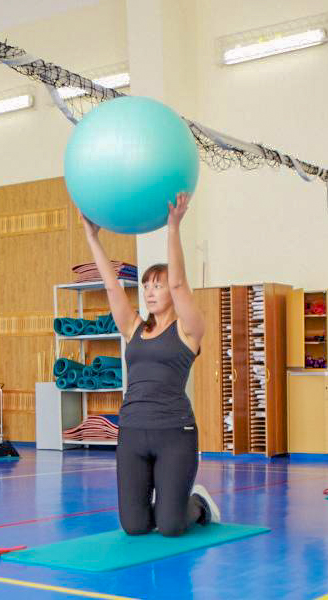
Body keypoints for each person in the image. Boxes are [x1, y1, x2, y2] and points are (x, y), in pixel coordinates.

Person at [81, 192, 220, 536]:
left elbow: (178, 281)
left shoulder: (189, 330)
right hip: (131, 432)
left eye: (157, 286)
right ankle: (167, 505)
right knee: (135, 526)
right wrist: (92, 238)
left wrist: (173, 227)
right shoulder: (134, 329)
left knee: (171, 526)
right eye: (146, 287)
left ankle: (198, 505)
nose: (151, 291)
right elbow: (113, 289)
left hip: (175, 433)